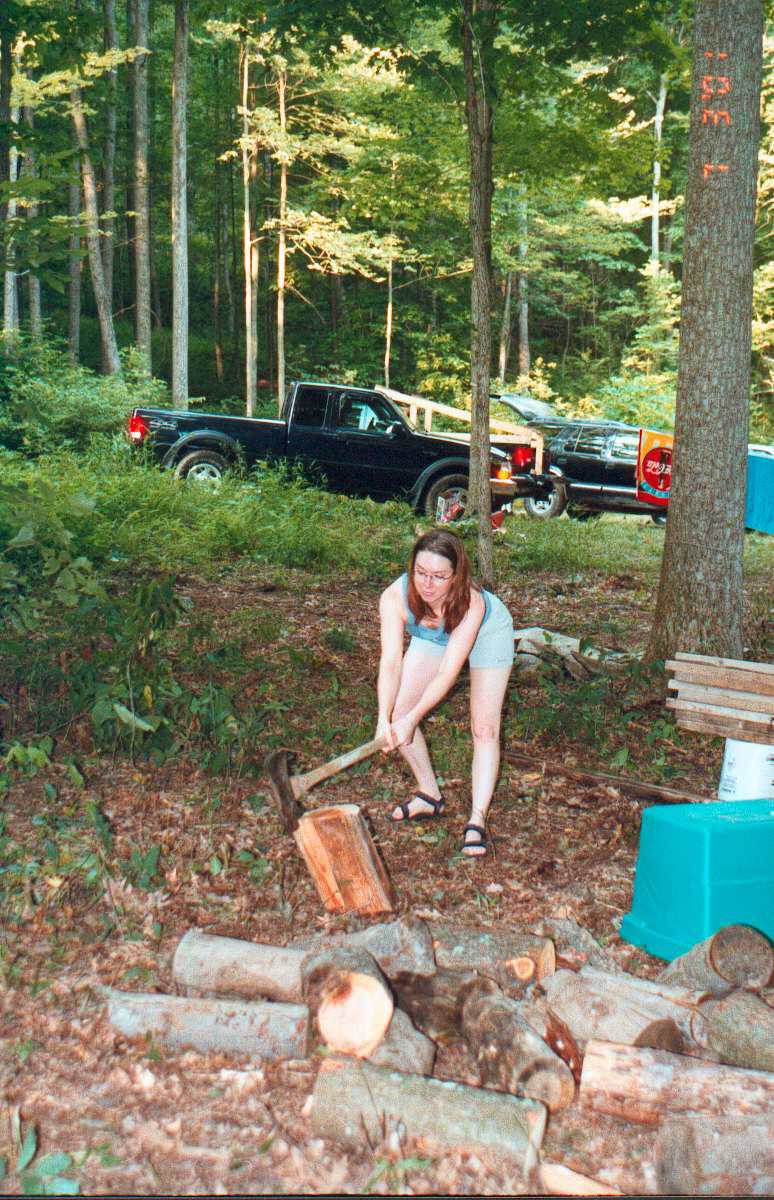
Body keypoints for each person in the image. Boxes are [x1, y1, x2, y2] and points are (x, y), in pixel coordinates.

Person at [376, 529, 514, 857]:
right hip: (435, 634)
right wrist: (384, 718)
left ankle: (477, 819)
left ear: (456, 575)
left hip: (487, 633)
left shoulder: (472, 601)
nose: (427, 584)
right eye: (421, 573)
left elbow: (447, 674)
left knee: (484, 728)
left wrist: (414, 719)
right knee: (398, 714)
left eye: (439, 576)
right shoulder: (394, 597)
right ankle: (429, 795)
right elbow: (391, 662)